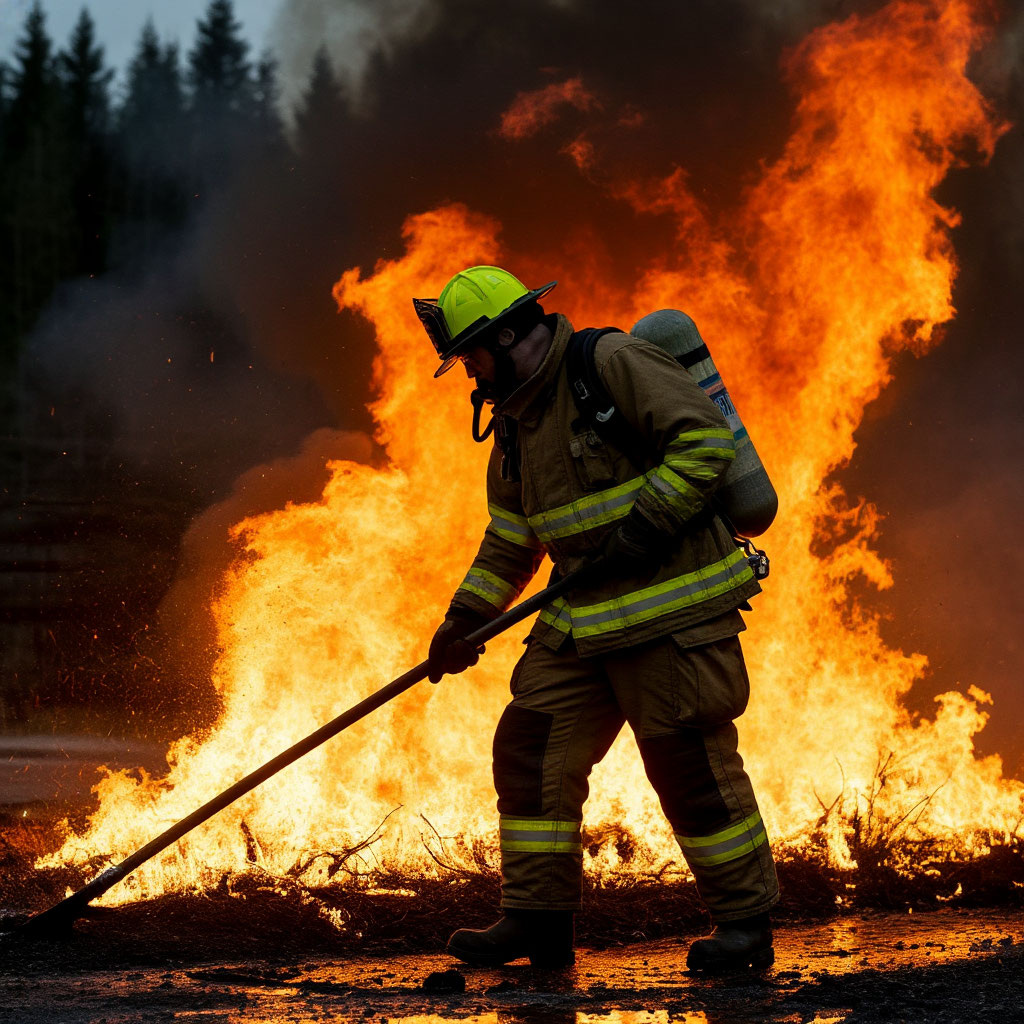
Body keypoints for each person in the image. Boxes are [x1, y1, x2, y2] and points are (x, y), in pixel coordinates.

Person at [413, 266, 779, 972]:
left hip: (671, 608)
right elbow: (513, 536)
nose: (473, 374)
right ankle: (537, 922)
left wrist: (644, 526)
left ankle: (743, 927)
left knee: (688, 764)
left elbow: (706, 445)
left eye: (475, 356)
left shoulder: (609, 364)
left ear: (510, 334)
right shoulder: (517, 423)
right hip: (583, 619)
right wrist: (464, 618)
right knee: (530, 745)